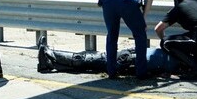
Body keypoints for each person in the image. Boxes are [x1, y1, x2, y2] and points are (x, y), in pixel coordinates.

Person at [101, 0, 156, 79]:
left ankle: (111, 72)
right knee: (140, 34)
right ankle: (141, 73)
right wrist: (143, 18)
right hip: (127, 0)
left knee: (112, 35)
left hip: (108, 0)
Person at [36, 36, 181, 77]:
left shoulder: (177, 63)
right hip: (130, 57)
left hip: (129, 60)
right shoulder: (178, 59)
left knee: (90, 60)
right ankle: (49, 62)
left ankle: (50, 54)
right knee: (90, 63)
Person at [154, 0, 197, 72]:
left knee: (165, 42)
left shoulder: (179, 7)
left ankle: (194, 67)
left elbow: (158, 29)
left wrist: (163, 38)